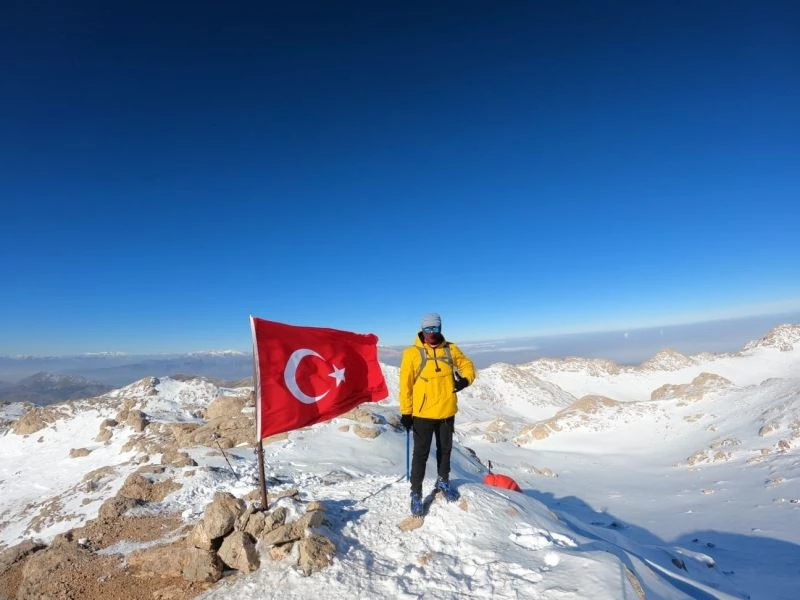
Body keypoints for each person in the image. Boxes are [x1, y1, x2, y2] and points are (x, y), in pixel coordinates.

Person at [399, 312, 476, 516]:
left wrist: (465, 380)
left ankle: (443, 481)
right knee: (420, 455)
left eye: (436, 329)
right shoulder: (412, 353)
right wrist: (406, 412)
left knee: (445, 450)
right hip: (423, 414)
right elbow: (405, 385)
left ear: (440, 328)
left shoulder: (451, 349)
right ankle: (416, 492)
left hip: (446, 411)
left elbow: (467, 365)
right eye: (428, 329)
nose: (432, 333)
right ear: (422, 330)